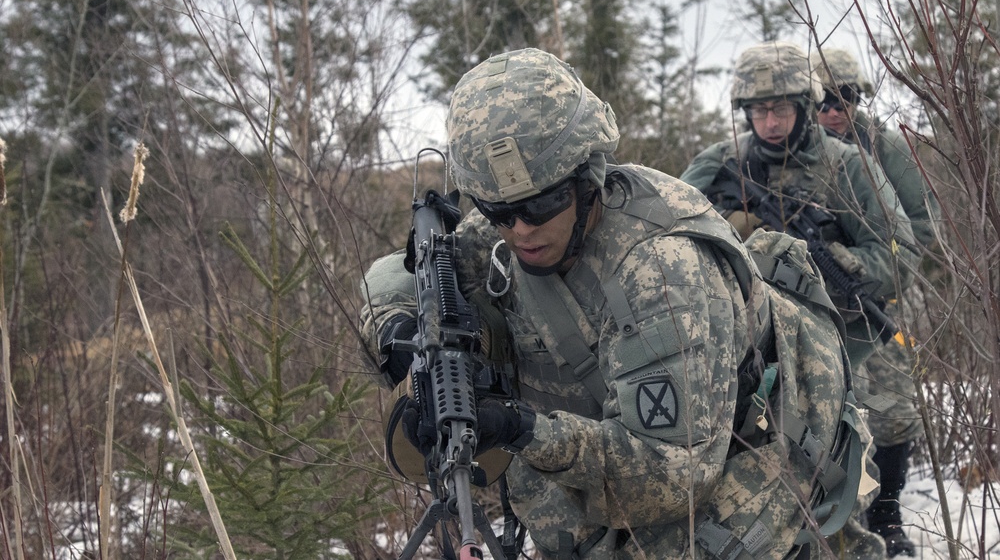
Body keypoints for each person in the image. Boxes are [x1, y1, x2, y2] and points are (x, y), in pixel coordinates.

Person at [359, 48, 861, 559]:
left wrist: (520, 428)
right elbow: (391, 275)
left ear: (587, 176)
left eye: (540, 204)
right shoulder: (510, 219)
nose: (521, 229)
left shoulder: (660, 271)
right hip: (601, 489)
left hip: (719, 484)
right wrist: (403, 332)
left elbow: (672, 478)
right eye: (499, 211)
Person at [680, 40, 921, 558]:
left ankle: (866, 529)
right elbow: (671, 238)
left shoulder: (848, 166)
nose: (771, 122)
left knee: (845, 448)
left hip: (839, 332)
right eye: (760, 110)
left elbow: (901, 252)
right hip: (749, 338)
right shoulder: (720, 164)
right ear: (744, 112)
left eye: (782, 108)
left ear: (804, 106)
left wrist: (839, 262)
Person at [812, 47, 940, 557]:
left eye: (845, 98)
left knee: (891, 408)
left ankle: (886, 511)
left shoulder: (881, 147)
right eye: (822, 100)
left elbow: (922, 223)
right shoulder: (798, 153)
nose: (833, 110)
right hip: (808, 304)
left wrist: (874, 268)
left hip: (873, 302)